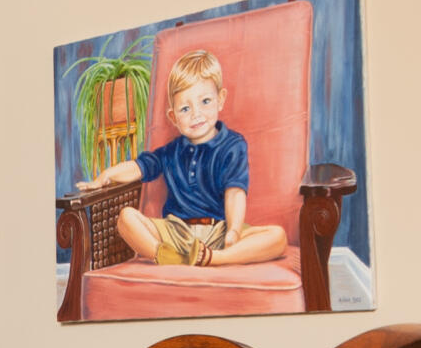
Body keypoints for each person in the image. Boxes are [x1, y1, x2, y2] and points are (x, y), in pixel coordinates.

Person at [75, 50, 284, 268]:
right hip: (175, 231)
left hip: (218, 231)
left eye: (205, 101)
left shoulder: (233, 145)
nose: (196, 114)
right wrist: (106, 175)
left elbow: (235, 193)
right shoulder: (171, 151)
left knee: (276, 236)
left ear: (220, 100)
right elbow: (138, 168)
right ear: (173, 117)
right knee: (126, 218)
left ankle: (214, 258)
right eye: (185, 108)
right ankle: (166, 257)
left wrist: (233, 231)